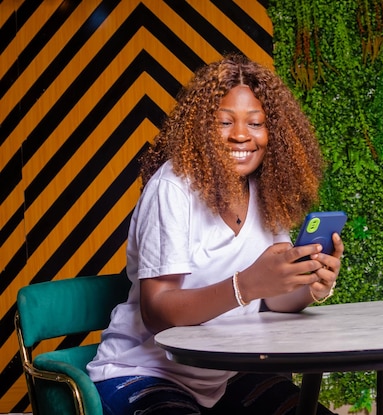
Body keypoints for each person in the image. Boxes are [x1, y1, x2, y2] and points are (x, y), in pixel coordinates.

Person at [87, 54, 343, 415]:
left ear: (275, 133)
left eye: (256, 123)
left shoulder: (266, 192)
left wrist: (306, 284)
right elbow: (157, 311)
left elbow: (274, 299)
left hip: (228, 376)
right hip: (144, 373)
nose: (241, 134)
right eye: (224, 121)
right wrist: (246, 286)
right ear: (200, 129)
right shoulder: (172, 188)